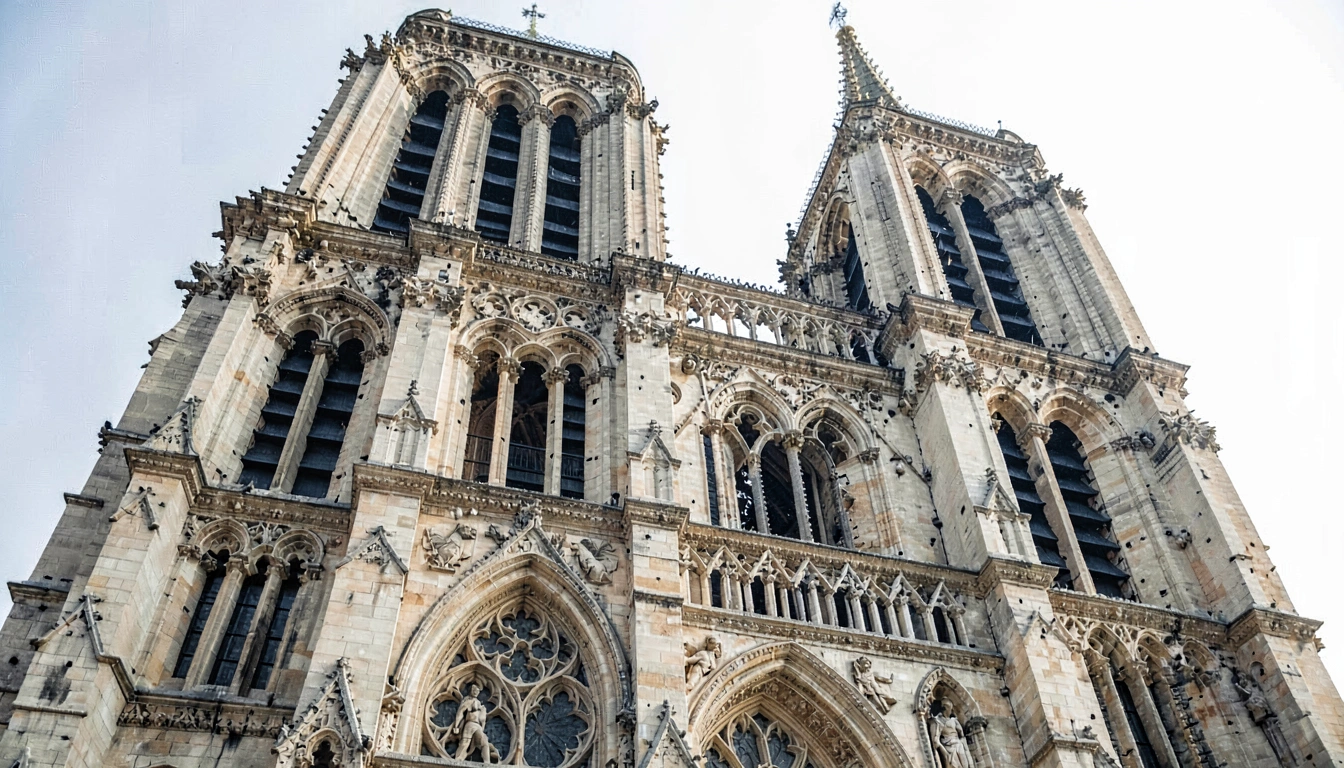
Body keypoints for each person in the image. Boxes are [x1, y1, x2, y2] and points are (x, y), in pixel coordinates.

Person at [928, 698, 974, 768]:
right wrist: (945, 753)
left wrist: (965, 747)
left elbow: (961, 734)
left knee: (965, 765)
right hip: (948, 746)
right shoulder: (938, 721)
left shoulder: (954, 721)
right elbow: (935, 740)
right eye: (950, 708)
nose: (951, 711)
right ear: (946, 708)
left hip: (958, 745)